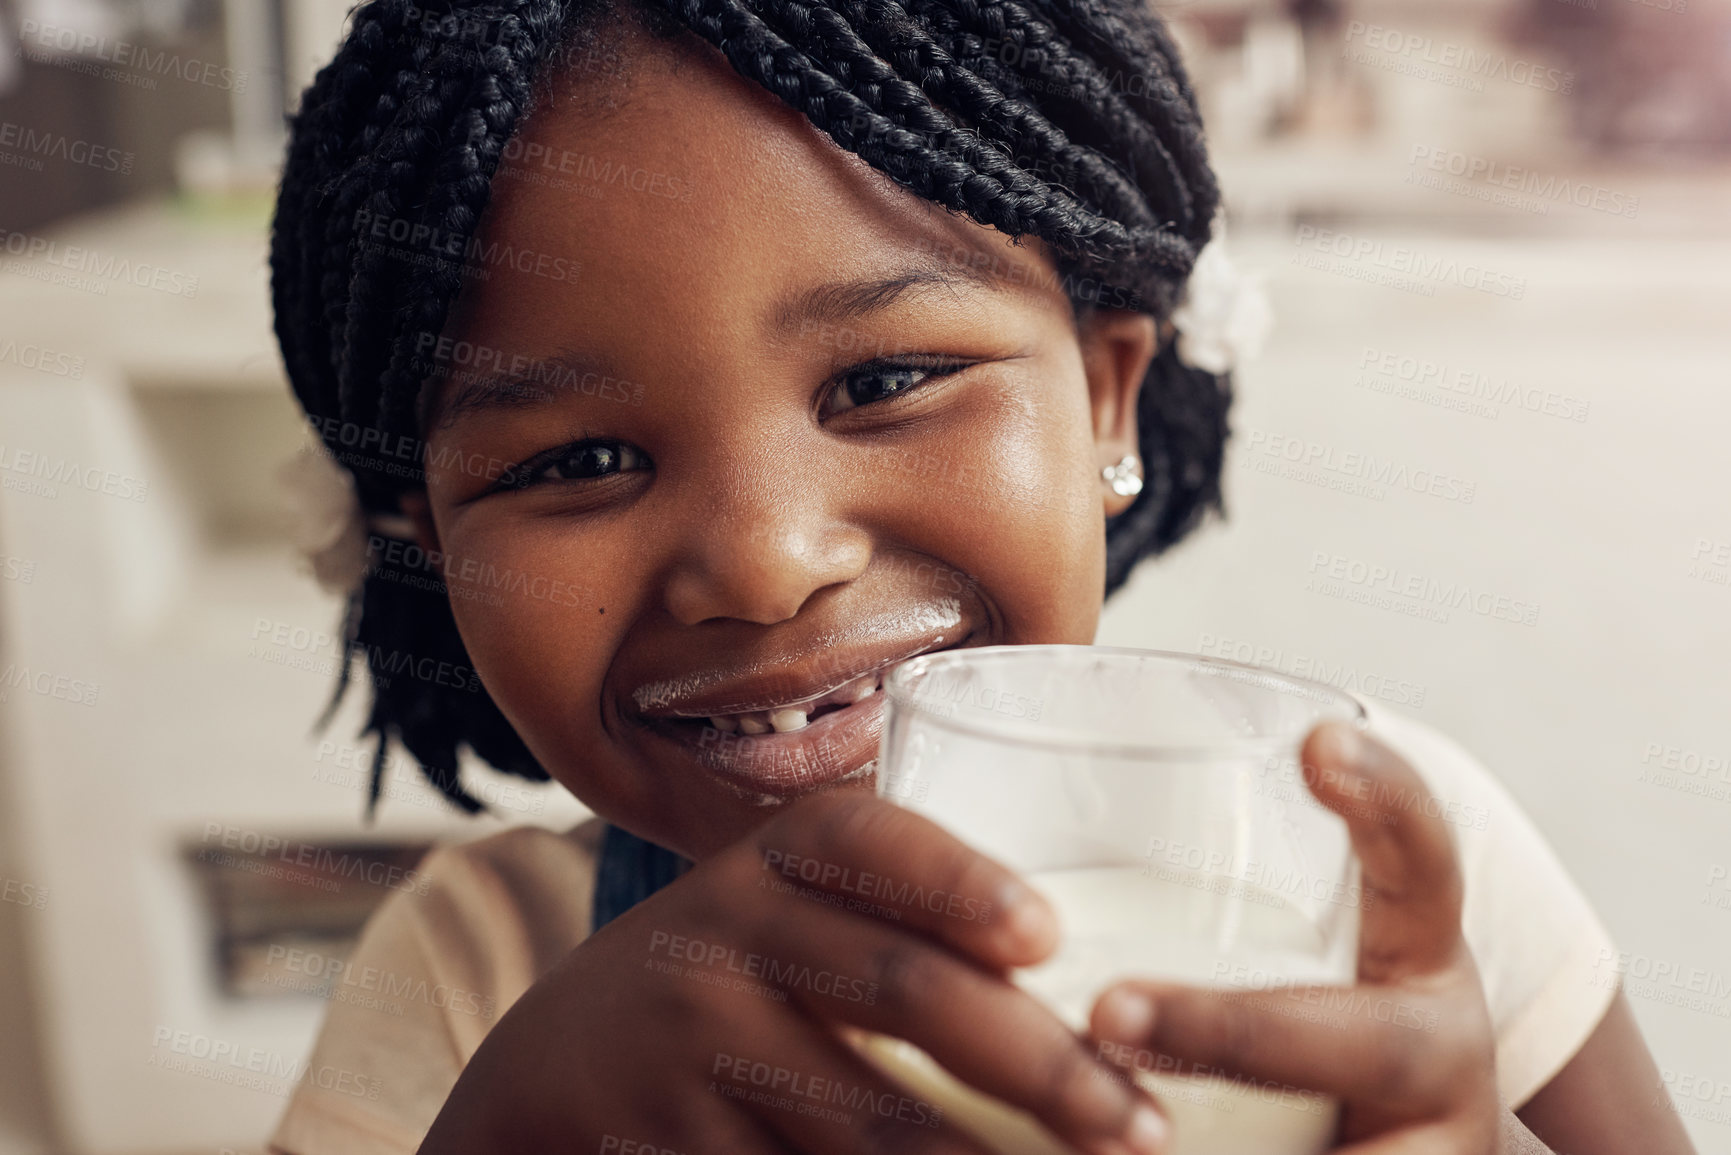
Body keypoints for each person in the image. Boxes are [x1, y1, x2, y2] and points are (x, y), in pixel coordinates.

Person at [264, 0, 1695, 1151]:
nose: (765, 563)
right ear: (430, 539)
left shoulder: (1379, 877)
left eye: (887, 379)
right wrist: (515, 1124)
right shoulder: (476, 970)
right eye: (576, 463)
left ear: (1107, 401)